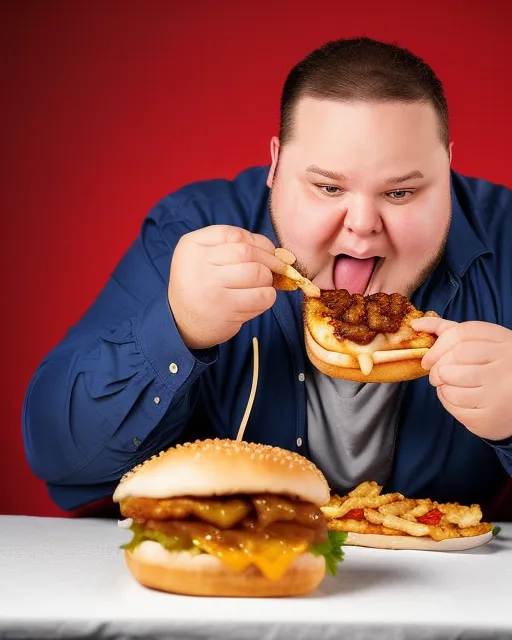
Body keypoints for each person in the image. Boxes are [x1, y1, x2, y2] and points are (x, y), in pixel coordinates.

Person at [22, 36, 512, 518]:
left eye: (401, 193)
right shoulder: (193, 226)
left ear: (447, 168)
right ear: (276, 165)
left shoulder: (506, 238)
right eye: (327, 186)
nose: (362, 225)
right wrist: (177, 328)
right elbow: (58, 456)